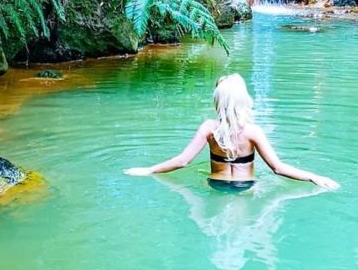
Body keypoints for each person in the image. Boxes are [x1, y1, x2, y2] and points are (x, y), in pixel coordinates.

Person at [124, 72, 339, 190]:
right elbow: (278, 168)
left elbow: (183, 161)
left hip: (215, 185)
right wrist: (313, 177)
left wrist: (149, 170)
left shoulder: (209, 128)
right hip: (245, 187)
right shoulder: (252, 132)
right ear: (243, 100)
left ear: (218, 100)